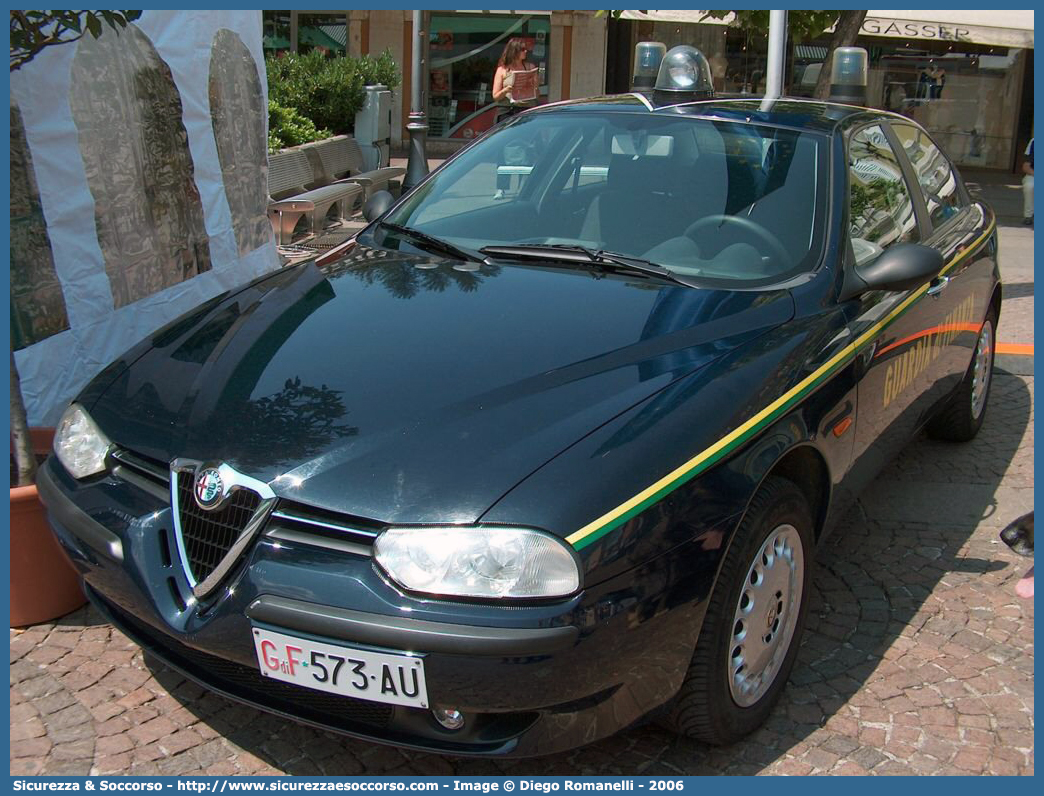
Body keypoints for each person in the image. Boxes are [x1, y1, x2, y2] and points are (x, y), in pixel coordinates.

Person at [491, 38, 537, 200]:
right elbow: (495, 96)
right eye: (523, 49)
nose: (526, 52)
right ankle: (501, 187)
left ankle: (523, 186)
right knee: (503, 150)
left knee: (527, 149)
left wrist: (532, 84)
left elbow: (536, 92)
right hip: (507, 111)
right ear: (514, 51)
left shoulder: (529, 67)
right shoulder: (503, 70)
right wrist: (506, 89)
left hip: (525, 110)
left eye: (526, 50)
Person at [1023, 136, 1033, 227]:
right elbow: (1026, 167)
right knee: (1030, 186)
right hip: (1034, 174)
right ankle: (1028, 216)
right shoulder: (1034, 142)